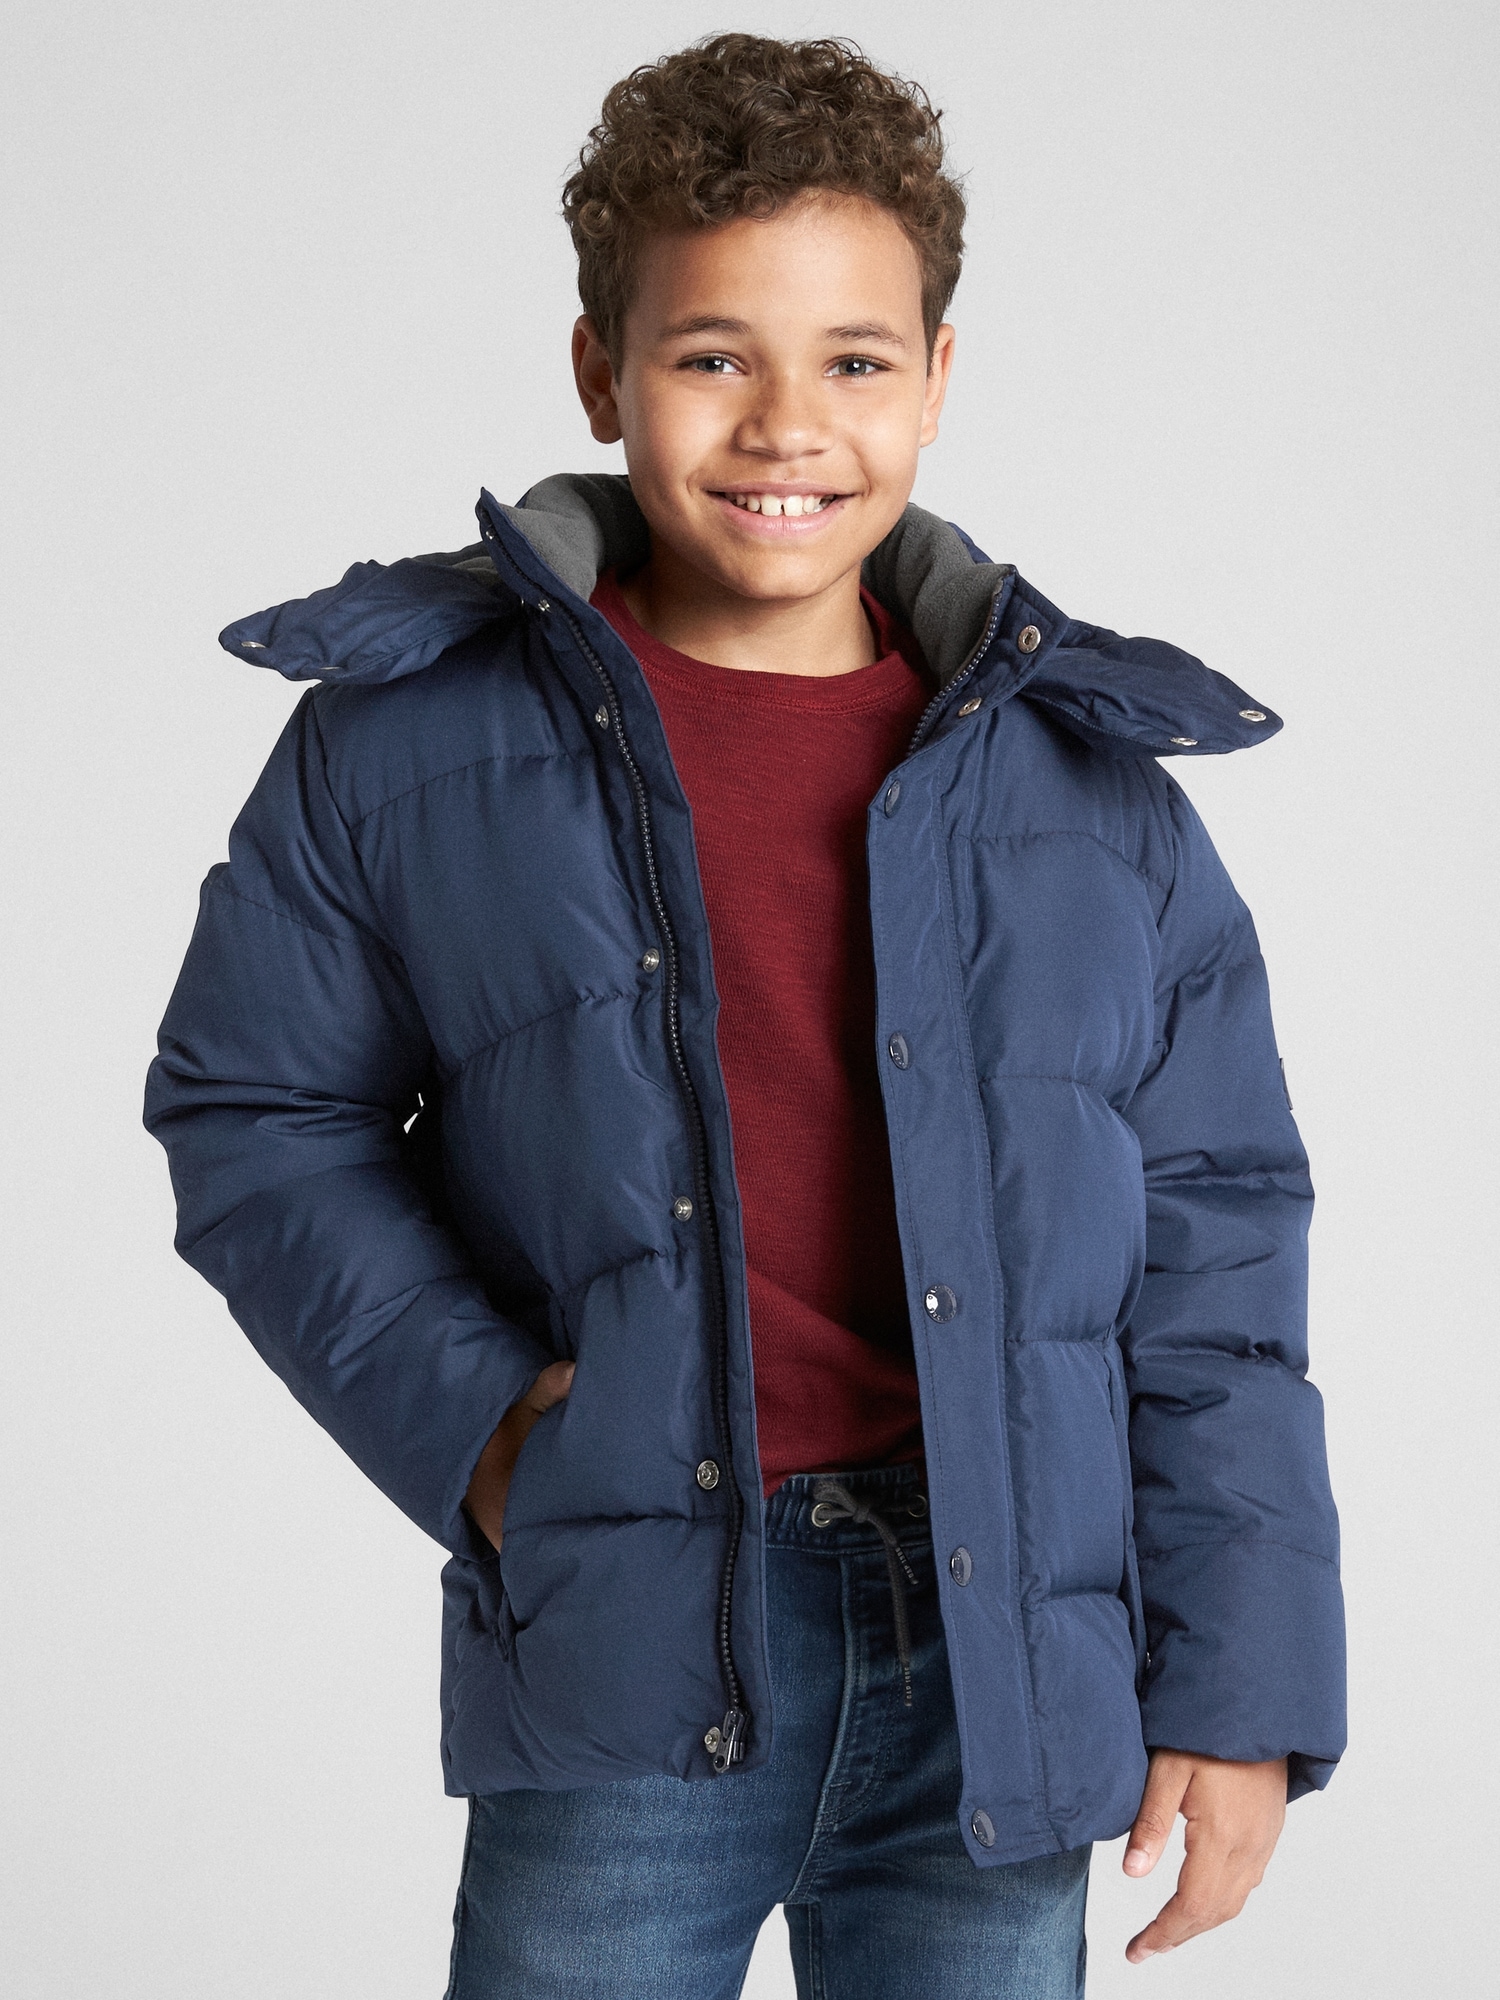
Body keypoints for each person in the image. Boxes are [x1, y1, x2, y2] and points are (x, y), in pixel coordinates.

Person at [144, 32, 1345, 1998]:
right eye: (714, 355)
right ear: (599, 372)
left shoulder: (1091, 790)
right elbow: (256, 1111)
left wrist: (1244, 1683)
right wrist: (482, 1424)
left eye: (853, 362)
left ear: (937, 380)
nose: (788, 424)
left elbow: (1218, 1247)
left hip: (1004, 1653)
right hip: (636, 1636)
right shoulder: (408, 744)